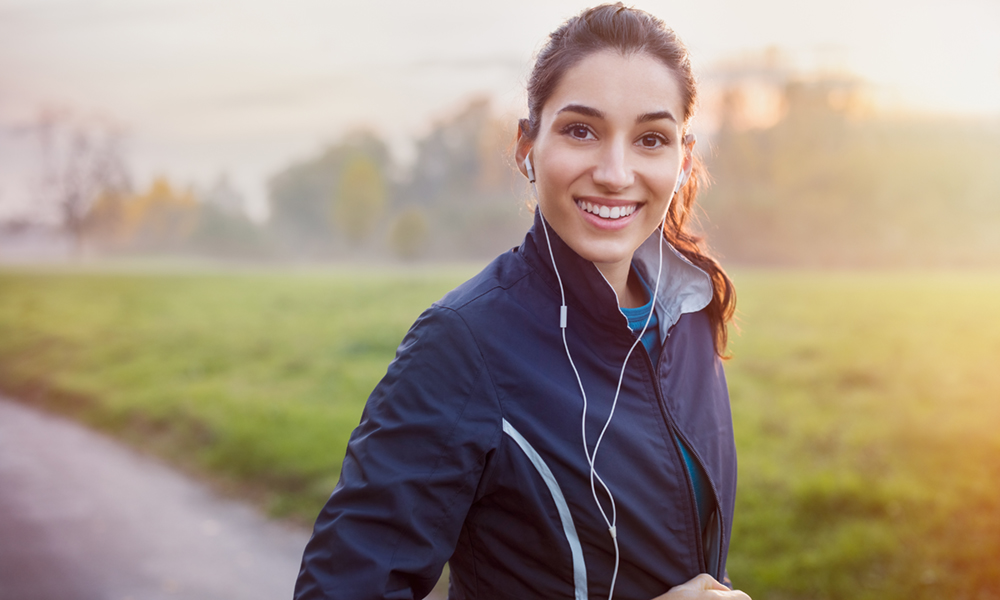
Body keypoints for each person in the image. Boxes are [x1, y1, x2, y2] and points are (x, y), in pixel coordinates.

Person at [295, 4, 748, 599]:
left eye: (651, 139)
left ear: (683, 160)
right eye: (581, 129)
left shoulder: (690, 315)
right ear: (526, 146)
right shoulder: (461, 346)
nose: (615, 172)